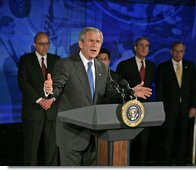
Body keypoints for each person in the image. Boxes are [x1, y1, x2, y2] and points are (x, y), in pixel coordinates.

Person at [43, 27, 152, 166]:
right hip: (71, 134)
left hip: (94, 135)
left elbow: (111, 93)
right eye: (91, 41)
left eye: (98, 42)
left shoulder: (103, 67)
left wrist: (131, 92)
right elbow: (56, 87)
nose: (95, 45)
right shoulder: (66, 64)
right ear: (81, 43)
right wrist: (49, 90)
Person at [18, 32, 60, 166]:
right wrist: (40, 100)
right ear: (35, 44)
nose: (45, 47)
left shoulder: (56, 60)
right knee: (31, 151)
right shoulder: (26, 60)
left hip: (52, 112)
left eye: (47, 43)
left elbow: (60, 83)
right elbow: (23, 83)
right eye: (42, 44)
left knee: (52, 151)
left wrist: (51, 99)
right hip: (33, 112)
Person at [156, 41, 196, 166]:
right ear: (171, 51)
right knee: (167, 140)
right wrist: (160, 108)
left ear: (184, 52)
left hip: (185, 109)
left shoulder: (190, 66)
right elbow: (160, 89)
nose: (178, 53)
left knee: (182, 140)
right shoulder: (163, 67)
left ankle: (180, 165)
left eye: (181, 51)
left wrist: (194, 106)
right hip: (168, 110)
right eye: (176, 50)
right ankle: (166, 165)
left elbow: (193, 88)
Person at [116, 37, 156, 166]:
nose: (144, 48)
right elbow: (118, 87)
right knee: (128, 143)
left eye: (147, 46)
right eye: (141, 45)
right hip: (128, 110)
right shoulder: (124, 64)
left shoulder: (151, 66)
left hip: (145, 111)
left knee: (143, 144)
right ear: (135, 47)